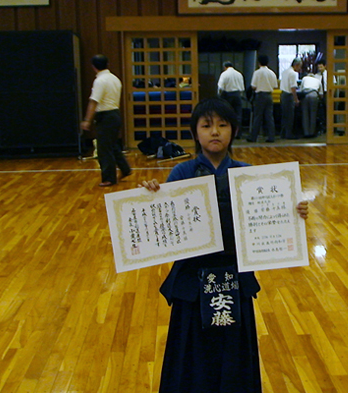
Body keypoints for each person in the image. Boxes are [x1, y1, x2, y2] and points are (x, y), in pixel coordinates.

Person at [139, 98, 309, 393]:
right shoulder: (181, 173)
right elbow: (165, 223)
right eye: (206, 126)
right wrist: (152, 195)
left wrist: (293, 211)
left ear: (233, 131)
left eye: (222, 125)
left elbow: (267, 216)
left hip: (234, 275)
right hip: (193, 279)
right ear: (196, 133)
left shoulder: (248, 175)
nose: (214, 132)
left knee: (234, 352)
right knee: (191, 351)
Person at [81, 54, 131, 187]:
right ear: (107, 64)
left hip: (106, 116)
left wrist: (87, 120)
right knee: (112, 145)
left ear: (93, 67)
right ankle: (125, 169)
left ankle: (109, 178)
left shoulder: (100, 81)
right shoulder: (115, 79)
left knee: (104, 149)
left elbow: (94, 102)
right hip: (115, 114)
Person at [247, 55, 279, 143]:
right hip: (269, 95)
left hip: (260, 96)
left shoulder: (257, 73)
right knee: (269, 117)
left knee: (257, 117)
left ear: (259, 62)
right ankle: (271, 137)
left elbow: (253, 86)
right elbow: (275, 86)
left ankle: (253, 137)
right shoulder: (272, 73)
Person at [280, 58, 303, 139]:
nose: (300, 69)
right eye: (300, 66)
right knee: (290, 116)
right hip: (288, 96)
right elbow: (293, 88)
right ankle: (289, 134)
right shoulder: (293, 74)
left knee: (284, 116)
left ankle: (283, 133)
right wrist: (296, 99)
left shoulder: (285, 71)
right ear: (296, 65)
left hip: (282, 94)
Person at [217, 61, 245, 126]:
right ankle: (238, 133)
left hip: (228, 95)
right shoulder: (239, 74)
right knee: (238, 115)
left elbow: (221, 87)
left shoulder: (224, 74)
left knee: (227, 114)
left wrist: (219, 96)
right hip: (237, 95)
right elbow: (242, 88)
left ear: (225, 67)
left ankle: (229, 130)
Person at [299, 72, 322, 137]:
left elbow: (300, 89)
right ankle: (312, 133)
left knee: (305, 114)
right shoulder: (318, 80)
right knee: (313, 115)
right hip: (314, 95)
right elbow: (321, 94)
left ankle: (306, 133)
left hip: (305, 95)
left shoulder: (304, 78)